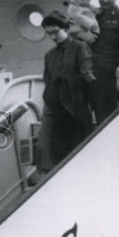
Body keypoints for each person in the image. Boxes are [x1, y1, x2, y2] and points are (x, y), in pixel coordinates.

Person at [39, 11, 97, 173]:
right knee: (59, 156)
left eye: (56, 32)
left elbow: (88, 78)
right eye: (49, 33)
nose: (52, 37)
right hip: (59, 115)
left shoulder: (80, 48)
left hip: (78, 113)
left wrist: (87, 107)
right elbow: (48, 82)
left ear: (66, 28)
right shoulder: (50, 55)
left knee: (83, 157)